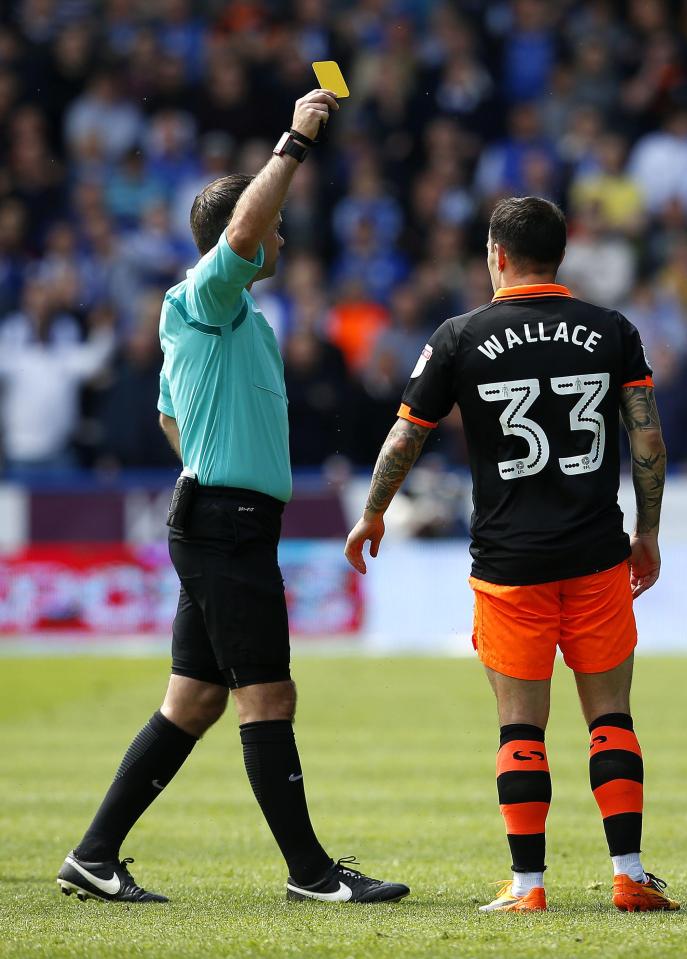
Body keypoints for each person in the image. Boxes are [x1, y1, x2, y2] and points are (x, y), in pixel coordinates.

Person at [57, 89, 409, 907]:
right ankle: (312, 874)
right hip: (226, 524)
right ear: (231, 241)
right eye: (269, 229)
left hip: (220, 516)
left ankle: (94, 854)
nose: (278, 240)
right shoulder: (207, 297)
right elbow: (248, 230)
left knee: (194, 700)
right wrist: (293, 141)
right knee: (268, 695)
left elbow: (167, 415)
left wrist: (209, 469)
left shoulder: (228, 316)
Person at [345, 196, 679, 913]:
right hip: (596, 555)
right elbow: (647, 442)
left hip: (508, 565)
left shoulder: (461, 335)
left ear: (496, 254)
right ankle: (628, 872)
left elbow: (407, 436)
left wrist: (373, 512)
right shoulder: (611, 329)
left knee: (521, 727)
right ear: (560, 255)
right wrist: (648, 530)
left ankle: (529, 884)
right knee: (611, 717)